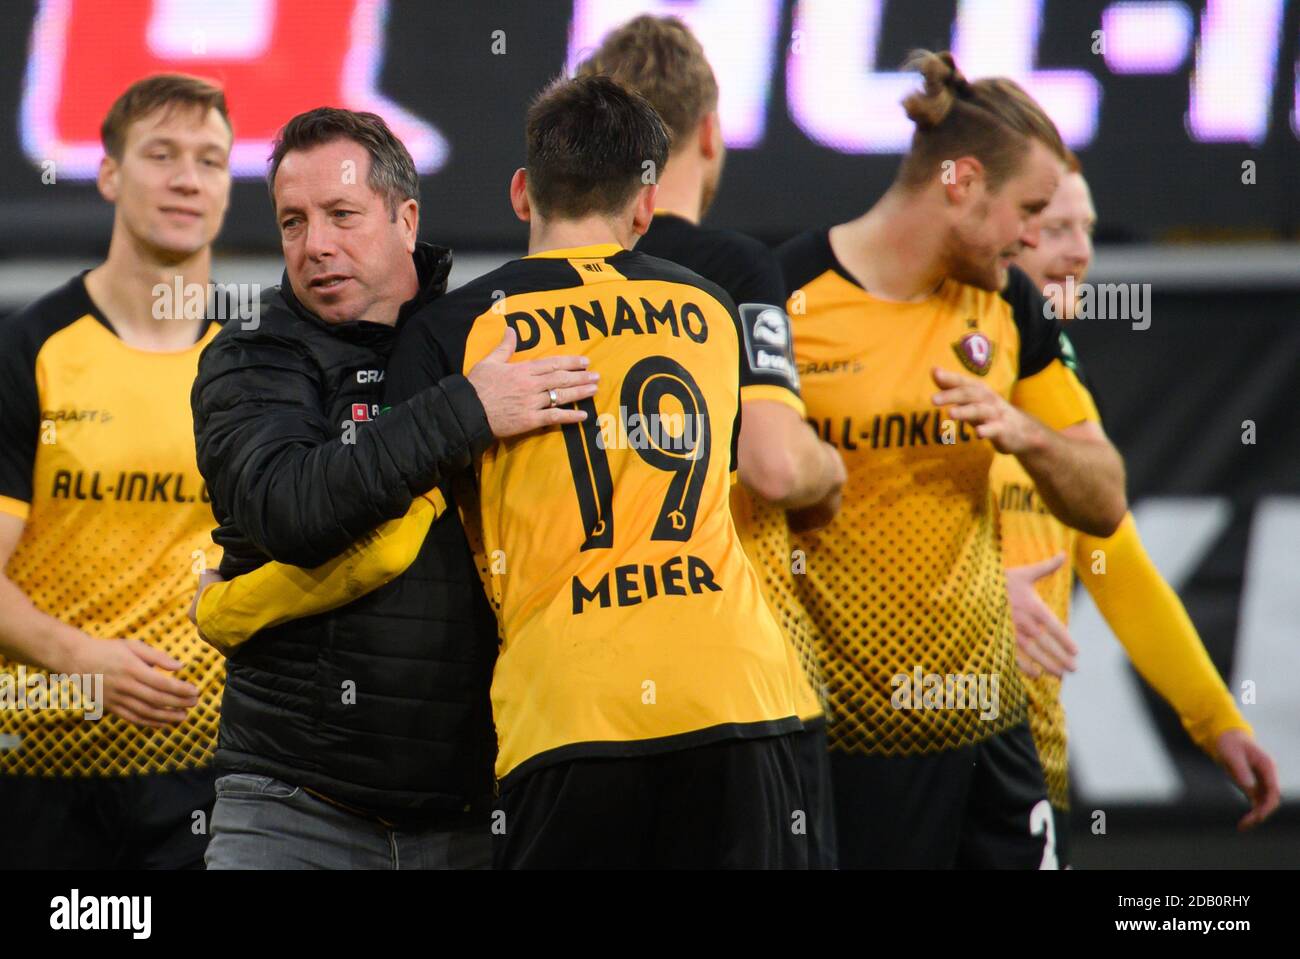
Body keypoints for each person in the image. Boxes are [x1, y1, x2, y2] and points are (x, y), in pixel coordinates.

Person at [189, 106, 599, 870]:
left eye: (342, 215)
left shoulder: (490, 338)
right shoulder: (251, 354)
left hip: (478, 815)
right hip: (291, 810)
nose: (316, 246)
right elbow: (292, 507)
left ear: (406, 218)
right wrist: (469, 410)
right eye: (293, 222)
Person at [777, 51, 1127, 868]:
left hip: (992, 735)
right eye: (1029, 209)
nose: (1036, 238)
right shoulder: (784, 297)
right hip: (844, 738)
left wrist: (1025, 433)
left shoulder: (1008, 304)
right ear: (961, 181)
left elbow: (1105, 498)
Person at [576, 13, 845, 868]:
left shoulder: (538, 285)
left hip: (582, 693)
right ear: (710, 132)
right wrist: (830, 467)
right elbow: (774, 461)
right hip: (734, 692)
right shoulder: (732, 267)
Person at [995, 155, 1280, 864]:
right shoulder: (923, 350)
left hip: (1013, 746)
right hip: (883, 738)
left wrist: (1214, 717)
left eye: (1086, 227)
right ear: (997, 228)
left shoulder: (1048, 364)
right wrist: (973, 599)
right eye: (1056, 226)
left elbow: (1109, 553)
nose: (1082, 251)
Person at [0, 74, 233, 869]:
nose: (185, 179)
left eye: (209, 160)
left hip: (213, 775)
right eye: (160, 154)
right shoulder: (31, 349)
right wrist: (80, 659)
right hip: (39, 761)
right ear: (107, 173)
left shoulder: (257, 361)